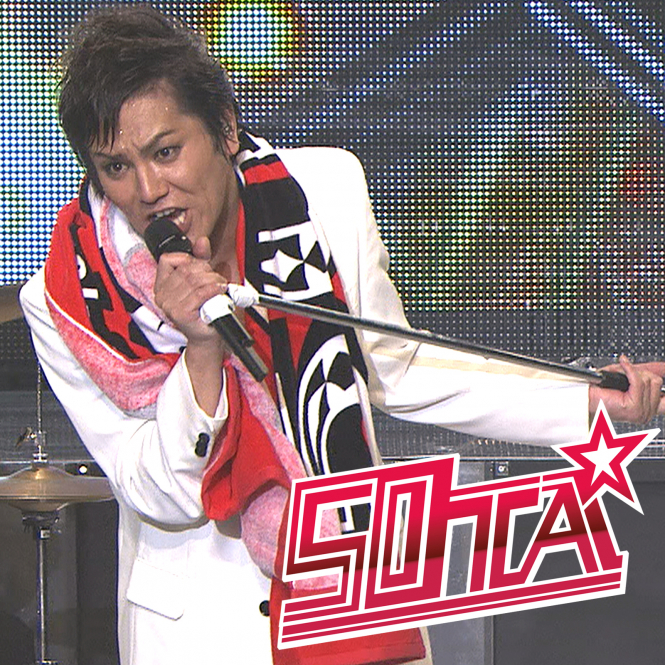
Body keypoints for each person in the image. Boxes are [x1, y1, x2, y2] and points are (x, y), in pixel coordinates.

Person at [19, 5, 664, 665]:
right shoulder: (66, 301)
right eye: (116, 167)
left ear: (224, 127)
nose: (149, 188)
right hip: (200, 633)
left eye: (166, 151)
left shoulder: (322, 191)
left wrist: (586, 401)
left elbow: (399, 368)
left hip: (353, 592)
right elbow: (161, 491)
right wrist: (202, 351)